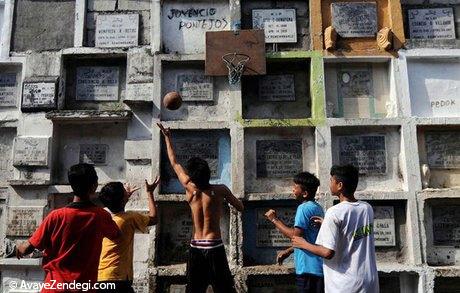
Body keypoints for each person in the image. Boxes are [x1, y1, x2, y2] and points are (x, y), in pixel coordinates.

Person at [157, 123, 244, 293]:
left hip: (196, 246)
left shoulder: (190, 189)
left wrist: (167, 137)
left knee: (194, 289)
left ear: (193, 177)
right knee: (224, 288)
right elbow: (240, 207)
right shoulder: (221, 190)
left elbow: (174, 163)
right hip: (214, 246)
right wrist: (224, 201)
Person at [16, 163, 120, 292]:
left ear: (72, 186)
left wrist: (18, 248)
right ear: (94, 186)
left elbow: (26, 249)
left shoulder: (55, 216)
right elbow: (116, 235)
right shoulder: (101, 216)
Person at [291, 165, 379, 293]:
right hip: (368, 280)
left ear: (340, 185)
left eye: (332, 180)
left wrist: (303, 244)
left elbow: (328, 252)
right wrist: (326, 224)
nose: (330, 183)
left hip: (344, 283)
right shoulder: (366, 208)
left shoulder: (334, 212)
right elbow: (350, 233)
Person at [97, 177, 160, 292]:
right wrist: (150, 192)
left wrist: (124, 198)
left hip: (101, 275)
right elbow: (154, 218)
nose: (127, 191)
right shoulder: (128, 218)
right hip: (118, 277)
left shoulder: (103, 215)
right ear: (121, 200)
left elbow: (116, 207)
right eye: (124, 191)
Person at [264, 172, 324, 293]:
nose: (293, 190)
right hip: (317, 268)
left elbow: (295, 236)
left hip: (307, 269)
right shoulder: (317, 207)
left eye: (296, 187)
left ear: (305, 193)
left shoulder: (303, 208)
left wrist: (274, 220)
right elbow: (307, 238)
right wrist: (289, 251)